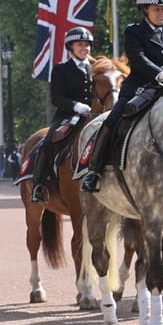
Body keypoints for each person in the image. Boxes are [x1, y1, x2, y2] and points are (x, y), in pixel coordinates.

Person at [81, 0, 163, 192]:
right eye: (157, 9)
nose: (162, 13)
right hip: (139, 88)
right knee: (112, 120)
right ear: (145, 10)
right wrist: (161, 74)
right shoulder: (134, 31)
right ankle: (94, 169)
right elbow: (137, 59)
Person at [30, 26, 96, 202]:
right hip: (67, 116)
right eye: (80, 44)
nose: (84, 48)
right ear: (71, 47)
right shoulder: (61, 69)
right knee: (47, 142)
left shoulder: (96, 68)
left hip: (93, 116)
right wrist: (76, 106)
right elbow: (57, 98)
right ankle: (38, 185)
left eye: (87, 45)